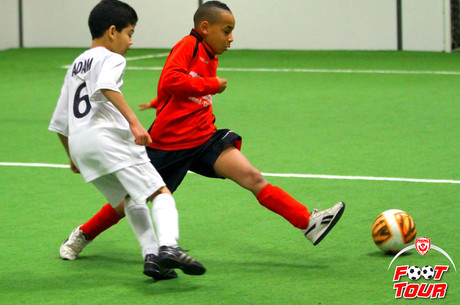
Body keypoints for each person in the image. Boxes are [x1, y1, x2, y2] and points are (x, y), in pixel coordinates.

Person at [59, 0, 345, 270]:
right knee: (127, 202)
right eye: (227, 31)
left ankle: (308, 221)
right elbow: (171, 79)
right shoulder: (189, 45)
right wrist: (208, 84)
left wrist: (160, 102)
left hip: (204, 137)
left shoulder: (210, 53)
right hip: (169, 144)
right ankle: (83, 234)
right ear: (205, 28)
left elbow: (174, 89)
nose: (231, 38)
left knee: (252, 177)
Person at [48, 0, 205, 281]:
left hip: (83, 146)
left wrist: (72, 155)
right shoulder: (111, 58)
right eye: (129, 33)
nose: (131, 42)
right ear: (112, 32)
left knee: (131, 198)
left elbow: (60, 120)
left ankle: (152, 257)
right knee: (160, 192)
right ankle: (169, 246)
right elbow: (106, 86)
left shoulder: (76, 65)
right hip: (108, 138)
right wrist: (134, 122)